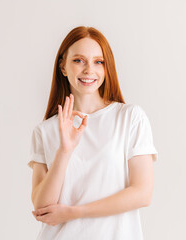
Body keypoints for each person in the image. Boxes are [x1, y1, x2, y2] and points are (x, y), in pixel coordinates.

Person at [28, 26, 158, 240]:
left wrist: (75, 213)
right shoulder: (45, 131)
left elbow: (142, 194)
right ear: (63, 67)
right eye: (78, 60)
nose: (89, 70)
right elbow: (42, 207)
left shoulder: (130, 118)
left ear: (107, 68)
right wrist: (65, 150)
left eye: (99, 62)